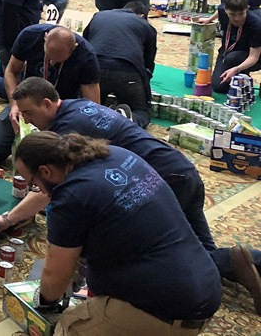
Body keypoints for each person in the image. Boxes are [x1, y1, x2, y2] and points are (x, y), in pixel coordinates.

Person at [0, 78, 261, 316]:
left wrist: (10, 217)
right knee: (193, 246)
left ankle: (233, 261)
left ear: (47, 104)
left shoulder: (65, 133)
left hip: (160, 181)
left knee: (168, 254)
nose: (26, 120)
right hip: (180, 169)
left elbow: (51, 191)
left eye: (28, 113)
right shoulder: (76, 106)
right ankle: (246, 260)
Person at [11, 131, 221, 335]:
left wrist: (45, 302)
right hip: (206, 287)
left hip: (167, 313)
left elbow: (54, 277)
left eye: (34, 184)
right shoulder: (116, 154)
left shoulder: (70, 197)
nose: (39, 190)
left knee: (68, 326)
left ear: (46, 172)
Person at [0, 23, 101, 166]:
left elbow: (93, 107)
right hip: (25, 103)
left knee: (54, 163)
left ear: (74, 48)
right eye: (49, 57)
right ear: (45, 38)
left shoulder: (86, 55)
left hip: (61, 111)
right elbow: (11, 71)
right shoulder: (30, 36)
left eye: (58, 59)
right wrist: (14, 105)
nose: (52, 62)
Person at [83, 2, 158, 127]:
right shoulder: (144, 25)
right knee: (140, 110)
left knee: (89, 106)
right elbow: (148, 62)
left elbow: (84, 45)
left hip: (95, 69)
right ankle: (130, 118)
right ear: (141, 15)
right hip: (127, 70)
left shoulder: (99, 16)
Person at [205, 0, 261, 94]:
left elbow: (254, 57)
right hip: (227, 50)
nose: (237, 18)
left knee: (233, 58)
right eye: (232, 14)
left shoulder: (256, 25)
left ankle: (243, 76)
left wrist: (236, 69)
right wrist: (209, 19)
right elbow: (219, 9)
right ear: (226, 11)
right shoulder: (222, 10)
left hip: (252, 55)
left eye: (241, 14)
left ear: (247, 9)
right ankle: (240, 76)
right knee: (218, 87)